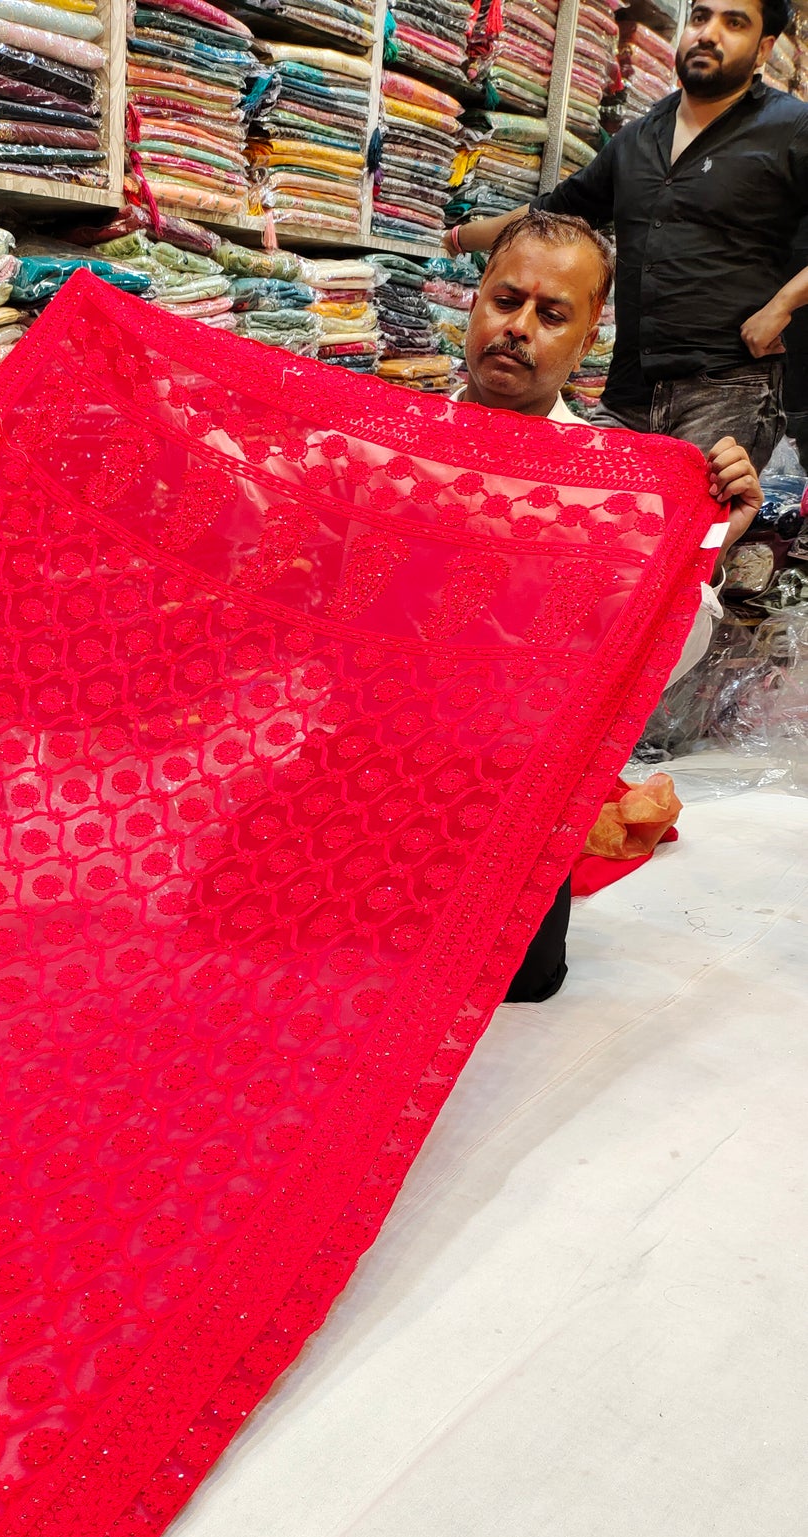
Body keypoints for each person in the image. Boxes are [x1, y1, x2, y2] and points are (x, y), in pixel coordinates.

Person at [454, 209, 765, 1000]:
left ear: (587, 340)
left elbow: (647, 676)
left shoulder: (617, 493)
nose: (518, 327)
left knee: (518, 978)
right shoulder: (383, 439)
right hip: (368, 749)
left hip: (510, 781)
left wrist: (708, 545)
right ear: (475, 302)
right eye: (505, 300)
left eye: (550, 313)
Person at [446, 0, 808, 472]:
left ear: (763, 49)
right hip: (628, 388)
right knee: (587, 517)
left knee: (685, 536)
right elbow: (551, 211)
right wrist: (456, 237)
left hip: (725, 387)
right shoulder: (639, 138)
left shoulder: (790, 127)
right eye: (700, 18)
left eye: (733, 23)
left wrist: (782, 306)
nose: (708, 34)